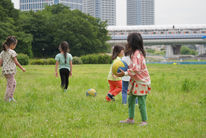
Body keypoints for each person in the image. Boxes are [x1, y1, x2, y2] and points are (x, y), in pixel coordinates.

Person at [117, 33, 151, 126]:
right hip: (136, 80)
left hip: (142, 81)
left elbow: (136, 69)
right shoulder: (135, 53)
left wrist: (125, 73)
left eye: (128, 41)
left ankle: (144, 121)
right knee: (131, 99)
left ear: (132, 43)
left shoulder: (137, 54)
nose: (127, 43)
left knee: (141, 102)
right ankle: (130, 119)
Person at [0, 36, 26, 102]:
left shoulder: (2, 52)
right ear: (12, 44)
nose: (15, 47)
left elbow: (0, 62)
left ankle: (10, 97)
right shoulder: (12, 52)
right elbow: (16, 62)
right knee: (10, 85)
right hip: (10, 71)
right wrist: (22, 68)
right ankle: (7, 99)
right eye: (15, 45)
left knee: (13, 83)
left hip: (5, 71)